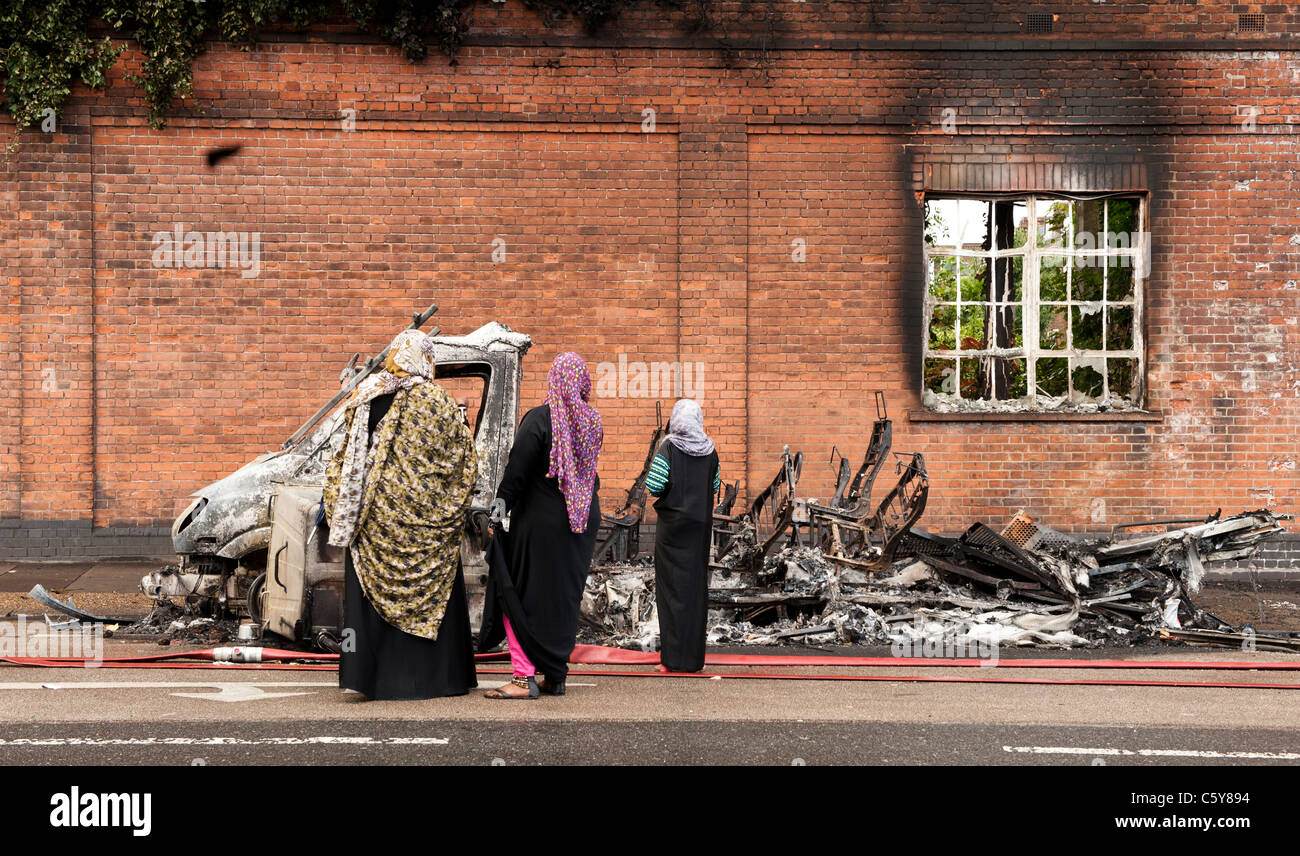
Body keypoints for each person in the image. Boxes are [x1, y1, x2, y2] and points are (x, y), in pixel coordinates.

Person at [321, 329, 479, 700]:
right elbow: (463, 463)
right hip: (427, 529)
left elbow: (344, 458)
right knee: (435, 593)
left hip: (375, 524)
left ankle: (372, 680)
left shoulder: (368, 394)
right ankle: (439, 680)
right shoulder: (436, 401)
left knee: (371, 599)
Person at [478, 352, 603, 699]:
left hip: (540, 523)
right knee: (561, 598)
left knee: (520, 592)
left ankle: (522, 678)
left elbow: (517, 471)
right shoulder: (592, 422)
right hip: (580, 521)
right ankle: (555, 675)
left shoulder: (539, 420)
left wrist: (499, 507)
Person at [646, 398, 720, 673]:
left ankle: (671, 661)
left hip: (673, 529)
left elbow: (654, 485)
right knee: (694, 590)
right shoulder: (711, 451)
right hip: (699, 529)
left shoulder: (669, 447)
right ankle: (693, 660)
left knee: (671, 591)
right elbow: (713, 486)